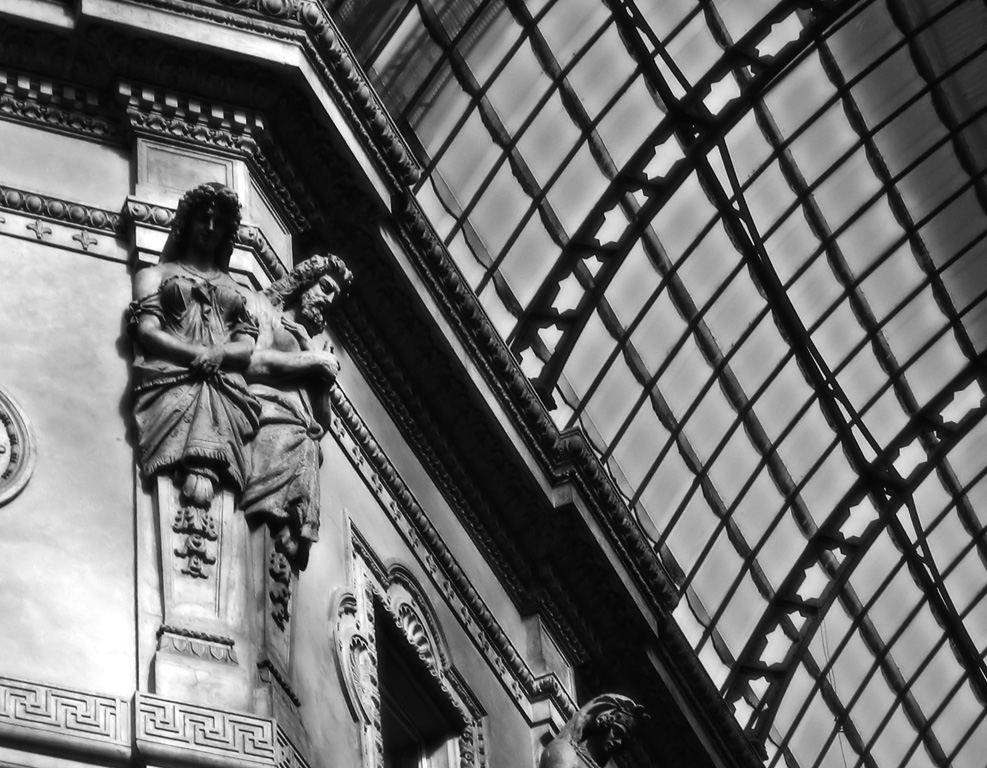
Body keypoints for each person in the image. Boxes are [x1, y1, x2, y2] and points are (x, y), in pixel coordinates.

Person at [130, 182, 261, 507]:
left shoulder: (236, 288)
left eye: (219, 223)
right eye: (204, 218)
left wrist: (218, 353)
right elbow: (148, 332)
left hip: (225, 389)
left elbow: (245, 348)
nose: (211, 228)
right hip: (168, 379)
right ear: (187, 223)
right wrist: (201, 355)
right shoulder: (156, 275)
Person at [240, 254, 352, 569]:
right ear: (305, 282)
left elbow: (321, 423)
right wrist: (312, 361)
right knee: (265, 519)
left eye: (334, 296)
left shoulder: (309, 343)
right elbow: (251, 362)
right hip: (267, 418)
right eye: (326, 287)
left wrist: (316, 366)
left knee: (288, 528)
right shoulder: (265, 311)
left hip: (303, 439)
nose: (329, 300)